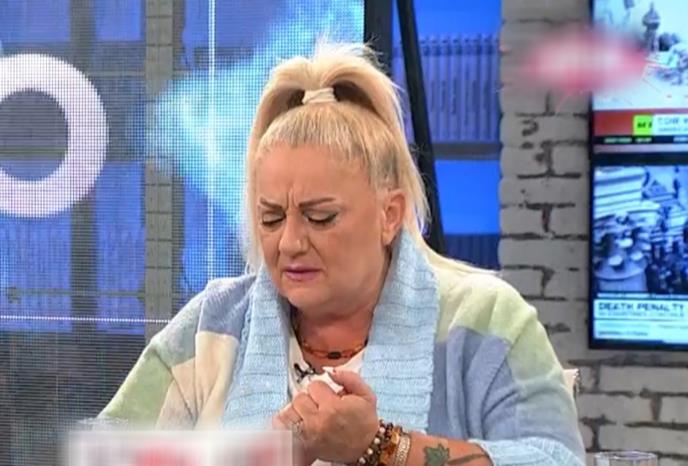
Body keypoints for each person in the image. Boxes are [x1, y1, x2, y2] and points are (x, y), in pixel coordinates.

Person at [100, 43, 585, 466]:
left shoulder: (483, 320)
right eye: (271, 218)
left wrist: (383, 447)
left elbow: (556, 459)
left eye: (320, 217)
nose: (289, 242)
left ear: (389, 214)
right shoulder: (214, 323)